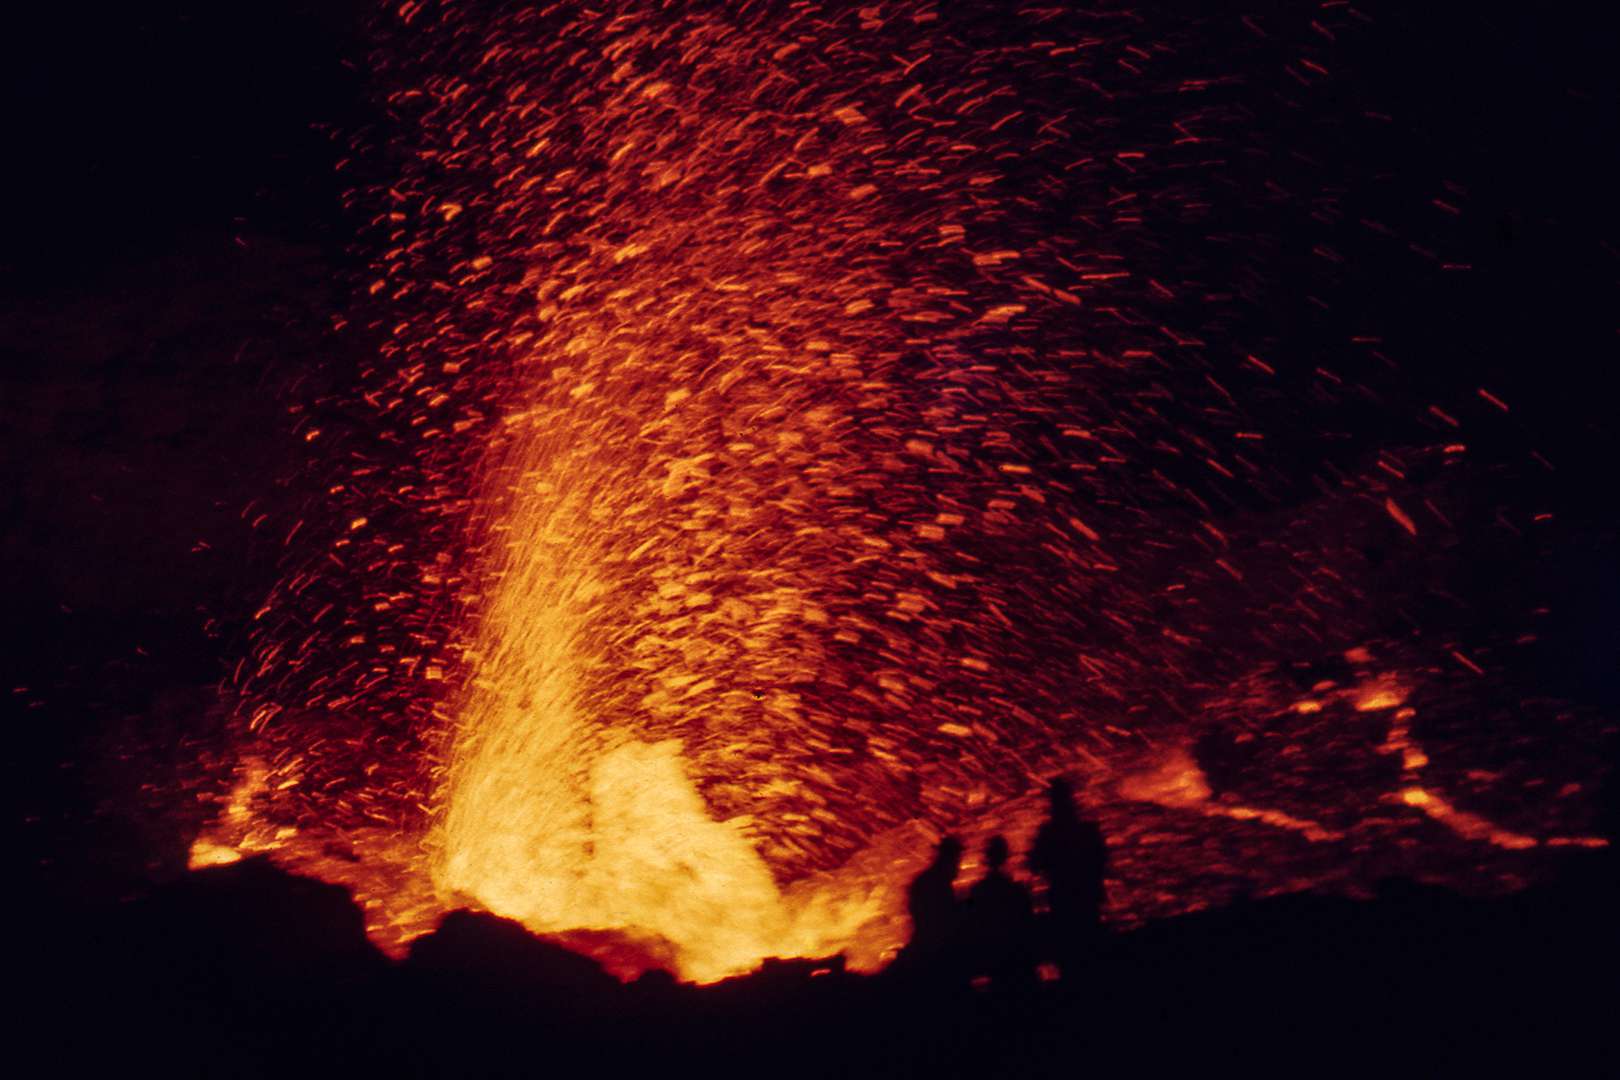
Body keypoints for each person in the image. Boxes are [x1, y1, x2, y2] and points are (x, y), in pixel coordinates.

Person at [1028, 777, 1107, 980]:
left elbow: (1034, 865)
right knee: (1091, 955)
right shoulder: (1087, 831)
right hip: (1087, 899)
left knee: (1070, 956)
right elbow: (1102, 861)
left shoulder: (1049, 833)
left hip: (1062, 900)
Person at [964, 834, 1037, 990]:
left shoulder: (978, 891)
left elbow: (972, 926)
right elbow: (1027, 925)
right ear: (1006, 856)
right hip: (1015, 957)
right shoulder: (1016, 891)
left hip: (992, 956)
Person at [902, 835, 966, 983]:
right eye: (957, 860)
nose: (959, 866)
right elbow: (943, 920)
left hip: (923, 947)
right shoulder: (938, 885)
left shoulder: (924, 881)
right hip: (934, 953)